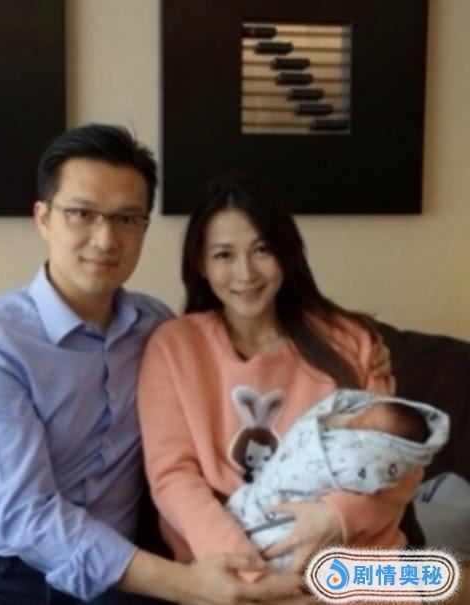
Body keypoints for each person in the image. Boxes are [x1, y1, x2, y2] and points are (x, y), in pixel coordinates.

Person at [0, 126, 309, 605]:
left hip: (119, 579)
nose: (105, 239)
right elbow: (26, 515)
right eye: (82, 214)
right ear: (43, 218)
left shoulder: (159, 331)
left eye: (126, 218)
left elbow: (245, 362)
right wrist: (187, 585)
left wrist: (364, 348)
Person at [137, 172, 423, 575]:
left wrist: (337, 518)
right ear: (200, 263)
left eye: (262, 250)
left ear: (286, 252)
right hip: (228, 573)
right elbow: (173, 477)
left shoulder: (351, 341)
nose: (246, 273)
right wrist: (249, 574)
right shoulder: (174, 346)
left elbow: (399, 458)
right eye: (223, 255)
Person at [224, 387, 449, 571]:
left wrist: (340, 514)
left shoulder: (358, 352)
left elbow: (406, 467)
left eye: (364, 427)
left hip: (365, 539)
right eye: (358, 419)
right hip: (231, 527)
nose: (353, 424)